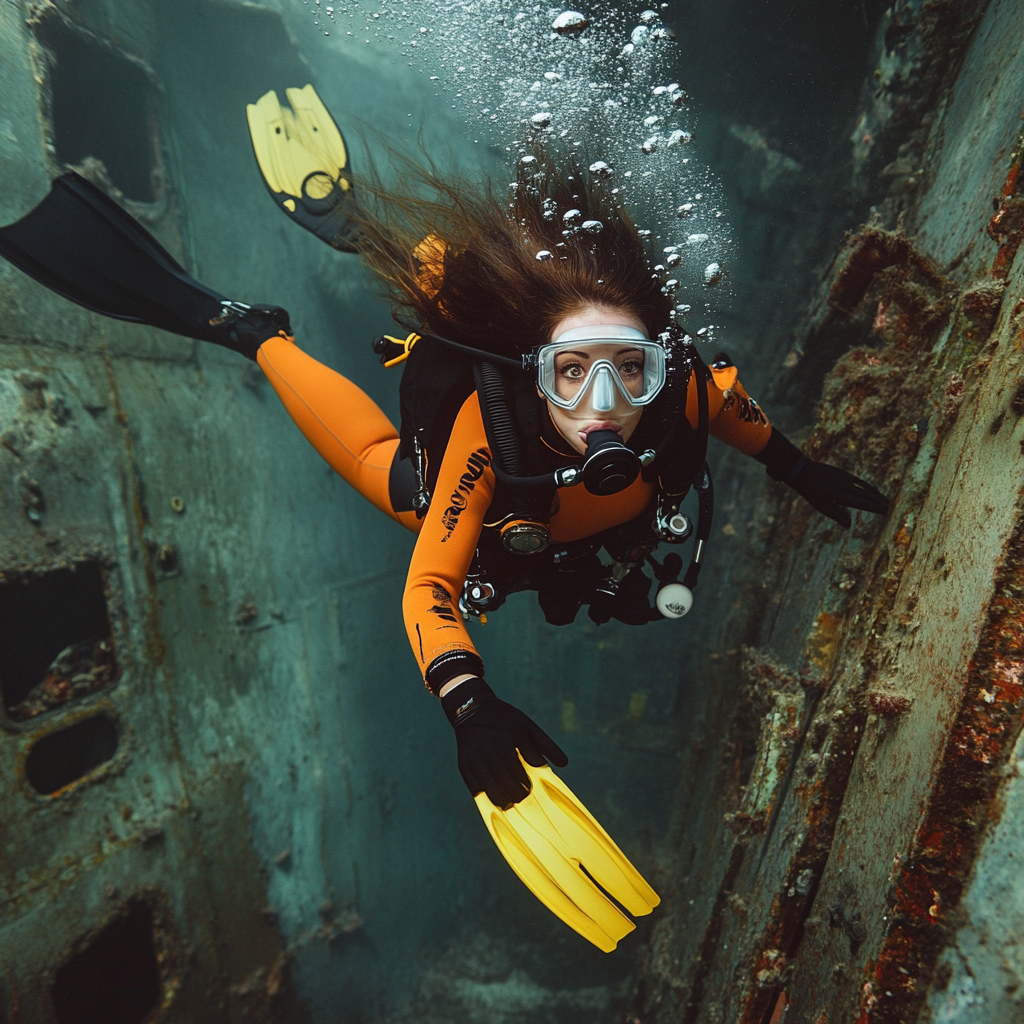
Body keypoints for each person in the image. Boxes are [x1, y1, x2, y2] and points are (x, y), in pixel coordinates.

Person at [0, 86, 887, 950]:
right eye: (571, 373)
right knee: (395, 469)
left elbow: (730, 411)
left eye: (631, 371)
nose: (604, 406)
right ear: (535, 372)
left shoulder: (682, 391)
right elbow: (431, 586)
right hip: (497, 520)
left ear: (661, 366)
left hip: (572, 535)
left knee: (501, 297)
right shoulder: (487, 436)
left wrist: (800, 468)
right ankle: (254, 326)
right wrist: (470, 704)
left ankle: (400, 269)